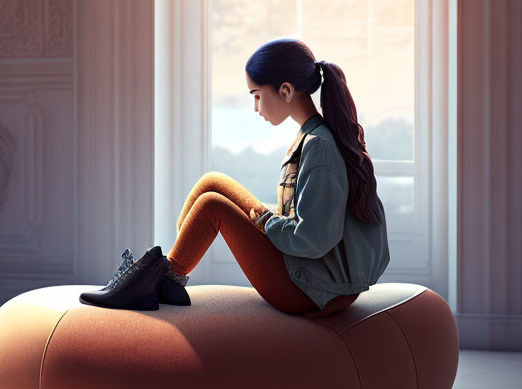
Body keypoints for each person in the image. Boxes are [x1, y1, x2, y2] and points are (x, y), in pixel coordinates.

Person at [79, 37, 390, 315]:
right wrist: (268, 220)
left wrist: (268, 222)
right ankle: (167, 276)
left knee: (213, 206)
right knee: (212, 182)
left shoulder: (319, 148)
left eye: (257, 95)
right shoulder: (313, 136)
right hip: (314, 274)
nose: (256, 107)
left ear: (285, 91)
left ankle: (155, 280)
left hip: (313, 290)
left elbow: (314, 239)